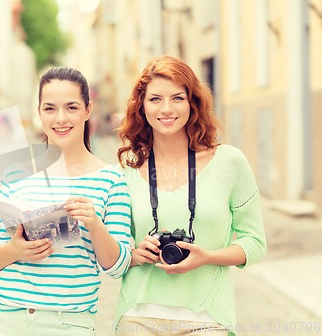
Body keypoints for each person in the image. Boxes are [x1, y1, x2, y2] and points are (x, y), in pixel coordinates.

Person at [114, 55, 267, 335]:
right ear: (142, 106)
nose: (167, 109)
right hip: (137, 315)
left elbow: (255, 243)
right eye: (155, 99)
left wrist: (206, 256)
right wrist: (136, 254)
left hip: (207, 318)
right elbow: (112, 251)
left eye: (177, 98)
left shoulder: (229, 162)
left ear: (192, 102)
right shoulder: (127, 169)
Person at [0, 67, 132, 336]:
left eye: (71, 107)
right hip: (6, 317)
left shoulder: (111, 179)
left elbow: (118, 266)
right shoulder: (15, 173)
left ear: (88, 110)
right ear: (39, 112)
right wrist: (16, 250)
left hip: (70, 323)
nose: (60, 118)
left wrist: (95, 225)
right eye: (50, 108)